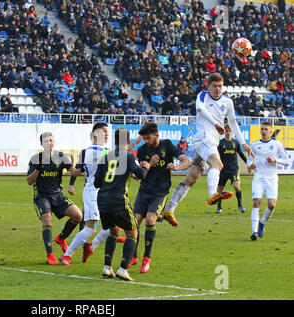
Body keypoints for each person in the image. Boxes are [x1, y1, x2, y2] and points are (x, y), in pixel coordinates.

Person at [160, 73, 254, 227]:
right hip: (203, 138)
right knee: (217, 165)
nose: (217, 89)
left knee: (193, 177)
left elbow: (233, 122)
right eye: (214, 86)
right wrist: (216, 124)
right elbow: (200, 109)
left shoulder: (227, 101)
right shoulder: (202, 96)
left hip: (211, 142)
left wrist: (244, 143)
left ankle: (169, 210)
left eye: (220, 86)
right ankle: (212, 195)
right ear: (208, 86)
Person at [130, 123, 191, 273]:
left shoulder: (168, 145)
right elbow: (142, 173)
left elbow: (187, 162)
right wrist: (140, 172)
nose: (146, 141)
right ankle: (134, 256)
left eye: (148, 138)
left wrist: (176, 167)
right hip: (144, 190)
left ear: (156, 135)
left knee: (150, 220)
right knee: (135, 222)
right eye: (144, 138)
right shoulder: (142, 150)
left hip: (160, 192)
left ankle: (147, 258)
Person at [94, 128, 149, 281]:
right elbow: (141, 175)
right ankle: (123, 269)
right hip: (118, 200)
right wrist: (146, 166)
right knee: (133, 233)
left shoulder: (105, 157)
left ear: (115, 141)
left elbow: (97, 182)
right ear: (129, 141)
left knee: (113, 231)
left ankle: (107, 268)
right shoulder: (129, 157)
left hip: (103, 201)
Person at [27, 132, 83, 265]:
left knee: (78, 216)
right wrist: (37, 170)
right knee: (47, 219)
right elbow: (29, 181)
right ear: (41, 144)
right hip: (42, 196)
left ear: (54, 142)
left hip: (58, 195)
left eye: (51, 140)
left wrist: (81, 169)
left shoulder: (61, 157)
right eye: (46, 141)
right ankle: (50, 254)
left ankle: (61, 238)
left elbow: (73, 172)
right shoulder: (36, 159)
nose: (49, 142)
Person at [60, 123, 112, 265]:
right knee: (90, 227)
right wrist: (70, 175)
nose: (107, 134)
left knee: (114, 227)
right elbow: (78, 170)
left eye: (108, 132)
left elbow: (79, 170)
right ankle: (67, 255)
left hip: (106, 193)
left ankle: (91, 246)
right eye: (104, 132)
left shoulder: (107, 151)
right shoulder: (92, 152)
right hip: (92, 192)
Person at [247, 122, 289, 241]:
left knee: (271, 205)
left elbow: (287, 161)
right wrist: (251, 165)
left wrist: (275, 160)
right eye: (262, 129)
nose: (263, 131)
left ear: (271, 131)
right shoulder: (254, 145)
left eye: (266, 129)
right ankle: (254, 232)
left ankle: (262, 222)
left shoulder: (276, 144)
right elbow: (249, 160)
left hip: (272, 178)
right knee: (256, 202)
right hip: (258, 178)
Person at [216, 124, 248, 214]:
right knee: (220, 189)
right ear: (224, 131)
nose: (228, 132)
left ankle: (240, 204)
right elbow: (216, 155)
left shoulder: (235, 143)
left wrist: (248, 163)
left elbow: (241, 154)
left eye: (230, 131)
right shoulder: (220, 143)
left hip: (233, 169)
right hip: (223, 170)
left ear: (232, 132)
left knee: (236, 186)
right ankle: (219, 207)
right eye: (226, 130)